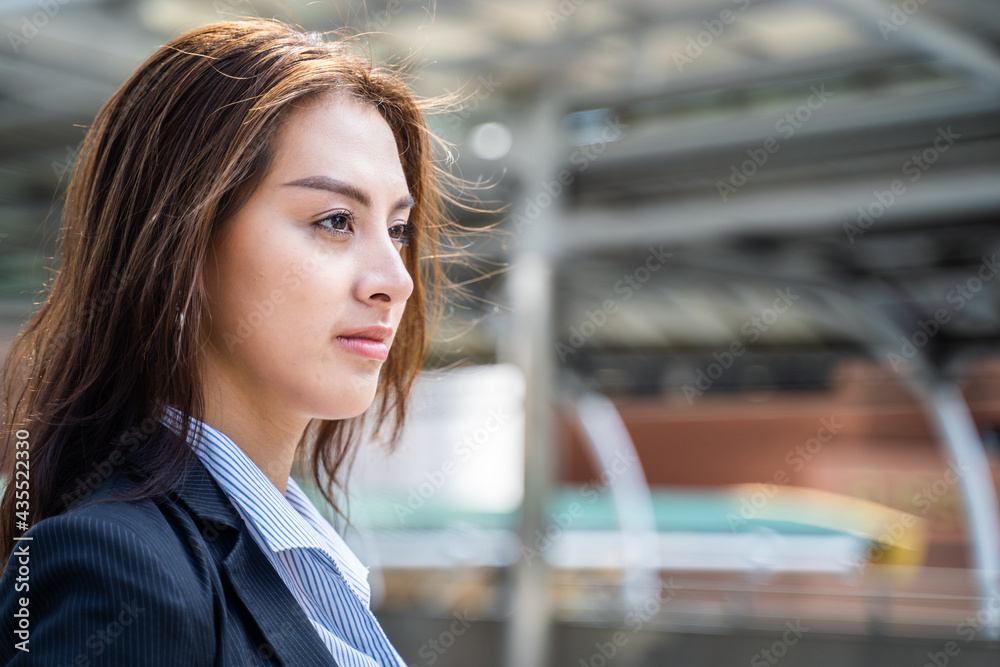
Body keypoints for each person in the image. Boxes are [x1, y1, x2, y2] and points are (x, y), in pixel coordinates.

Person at [0, 17, 456, 666]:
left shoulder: (308, 559)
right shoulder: (123, 572)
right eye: (334, 220)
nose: (396, 280)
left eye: (399, 229)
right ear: (181, 249)